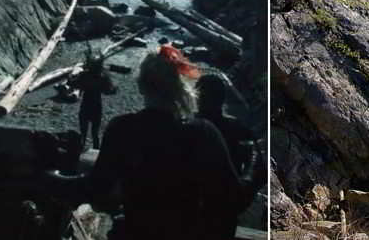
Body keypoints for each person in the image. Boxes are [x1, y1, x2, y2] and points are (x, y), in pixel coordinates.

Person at [86, 45, 254, 239]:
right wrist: (254, 173)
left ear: (141, 86)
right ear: (179, 87)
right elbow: (234, 199)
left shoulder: (121, 129)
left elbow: (98, 196)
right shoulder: (202, 133)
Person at [196, 74, 267, 237]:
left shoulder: (186, 127)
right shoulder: (237, 128)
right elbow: (255, 165)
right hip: (224, 211)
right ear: (222, 99)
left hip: (192, 211)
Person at [67, 54, 116, 149]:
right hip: (97, 106)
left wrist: (71, 75)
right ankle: (96, 152)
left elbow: (72, 83)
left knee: (83, 133)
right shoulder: (103, 77)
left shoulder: (84, 75)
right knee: (95, 134)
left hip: (85, 105)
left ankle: (81, 151)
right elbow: (109, 90)